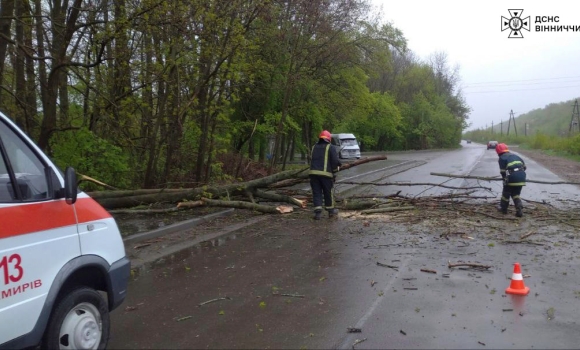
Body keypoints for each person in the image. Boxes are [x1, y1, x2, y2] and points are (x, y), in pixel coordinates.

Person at [309, 130, 341, 220]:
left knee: (316, 193)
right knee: (328, 192)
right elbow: (334, 161)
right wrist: (335, 171)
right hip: (326, 175)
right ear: (329, 139)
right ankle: (331, 211)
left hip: (313, 174)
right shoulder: (330, 147)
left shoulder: (314, 147)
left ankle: (318, 214)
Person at [496, 143, 527, 217]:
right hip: (522, 176)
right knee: (516, 194)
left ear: (498, 152)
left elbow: (503, 171)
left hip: (512, 176)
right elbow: (524, 167)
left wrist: (504, 179)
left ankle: (503, 209)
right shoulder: (515, 156)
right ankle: (518, 207)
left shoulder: (502, 158)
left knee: (506, 194)